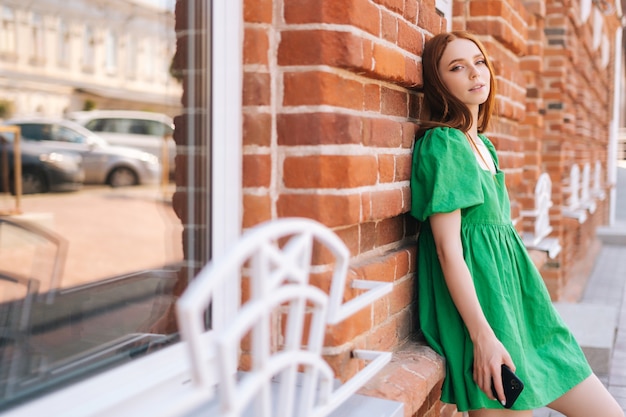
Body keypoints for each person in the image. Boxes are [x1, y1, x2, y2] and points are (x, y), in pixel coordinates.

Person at [409, 30, 624, 417]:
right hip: (484, 313)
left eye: (479, 62)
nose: (475, 73)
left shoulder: (484, 146)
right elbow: (447, 249)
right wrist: (483, 337)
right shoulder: (445, 144)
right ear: (440, 83)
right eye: (457, 67)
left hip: (523, 307)